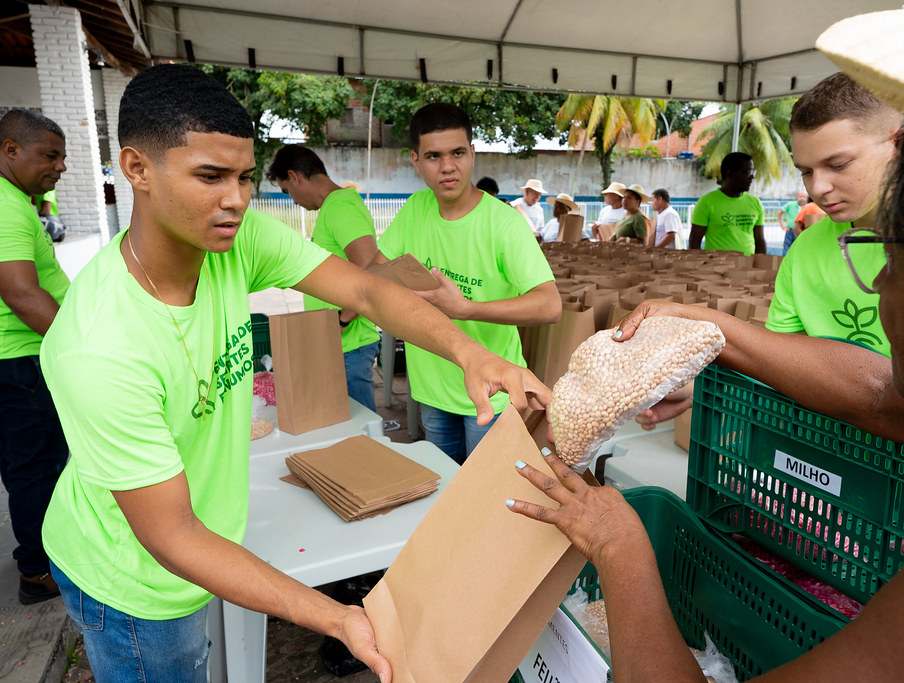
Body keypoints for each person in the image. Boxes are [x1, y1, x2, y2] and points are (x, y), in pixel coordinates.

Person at [509, 7, 904, 680]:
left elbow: (878, 393)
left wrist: (620, 551)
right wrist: (712, 338)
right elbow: (876, 394)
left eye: (896, 258)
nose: (881, 284)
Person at [39, 64, 550, 682]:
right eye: (210, 176)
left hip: (194, 540)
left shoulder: (236, 239)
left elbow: (365, 289)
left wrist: (471, 353)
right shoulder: (98, 347)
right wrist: (337, 617)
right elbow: (173, 536)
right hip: (133, 582)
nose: (237, 199)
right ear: (136, 168)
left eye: (245, 177)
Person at [374, 103, 561, 464]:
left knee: (485, 491)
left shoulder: (504, 223)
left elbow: (549, 304)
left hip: (492, 392)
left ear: (472, 154)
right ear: (416, 160)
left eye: (457, 153)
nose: (447, 166)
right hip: (432, 388)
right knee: (446, 486)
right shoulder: (415, 208)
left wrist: (466, 308)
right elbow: (377, 269)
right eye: (434, 156)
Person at [766, 72, 904, 357]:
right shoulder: (804, 249)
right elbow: (780, 358)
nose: (818, 187)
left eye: (839, 164)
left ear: (898, 146)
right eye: (806, 171)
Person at [0, 109, 70, 606]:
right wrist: (79, 348)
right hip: (21, 360)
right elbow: (22, 294)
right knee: (38, 467)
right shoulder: (6, 208)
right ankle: (39, 569)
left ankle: (36, 556)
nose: (61, 166)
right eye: (50, 155)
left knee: (26, 464)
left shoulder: (16, 203)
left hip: (17, 359)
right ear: (11, 150)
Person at [266, 144, 381, 411]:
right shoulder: (333, 207)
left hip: (350, 345)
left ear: (294, 176)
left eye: (287, 190)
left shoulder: (340, 207)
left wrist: (340, 321)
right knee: (346, 425)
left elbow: (370, 270)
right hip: (339, 343)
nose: (292, 200)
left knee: (361, 429)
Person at [689, 152, 766, 255]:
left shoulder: (755, 203)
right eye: (747, 172)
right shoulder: (706, 202)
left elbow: (760, 241)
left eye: (753, 172)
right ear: (730, 173)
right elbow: (694, 242)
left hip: (748, 264)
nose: (752, 177)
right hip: (717, 264)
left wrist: (760, 263)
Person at [777, 190, 807, 254]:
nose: (802, 198)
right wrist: (782, 226)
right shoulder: (790, 205)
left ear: (806, 198)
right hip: (790, 232)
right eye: (800, 196)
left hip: (802, 232)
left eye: (804, 197)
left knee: (799, 252)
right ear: (797, 197)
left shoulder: (808, 206)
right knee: (786, 252)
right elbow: (779, 214)